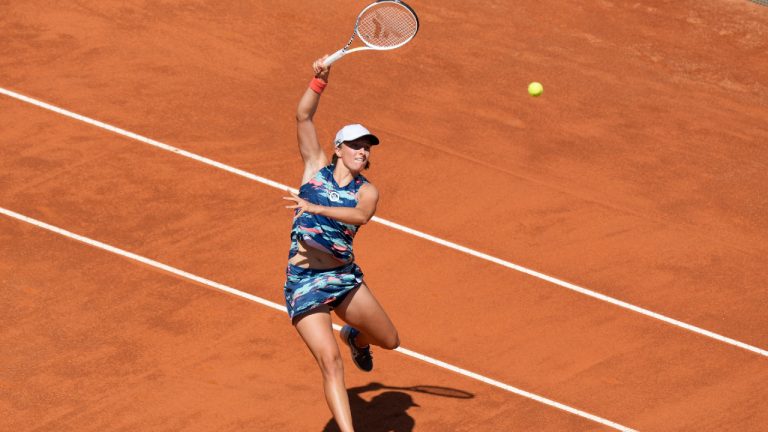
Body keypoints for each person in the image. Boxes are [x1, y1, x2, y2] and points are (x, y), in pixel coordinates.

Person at [282, 56, 400, 432]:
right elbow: (303, 117)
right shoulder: (315, 166)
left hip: (343, 277)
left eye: (368, 147)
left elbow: (360, 217)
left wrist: (314, 206)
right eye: (356, 145)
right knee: (330, 362)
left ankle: (356, 337)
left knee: (390, 340)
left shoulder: (367, 191)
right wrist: (318, 82)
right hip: (303, 282)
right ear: (338, 148)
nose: (363, 152)